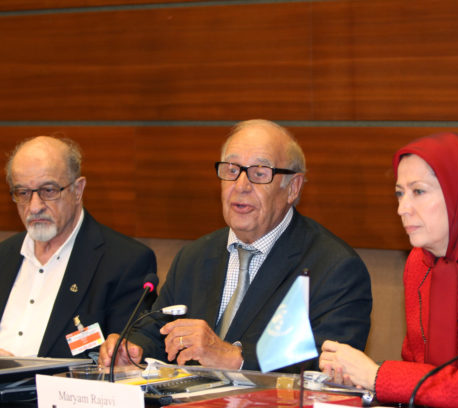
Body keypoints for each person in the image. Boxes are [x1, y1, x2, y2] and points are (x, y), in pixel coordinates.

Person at [99, 119, 372, 371]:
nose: (241, 185)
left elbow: (331, 368)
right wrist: (133, 349)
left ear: (293, 187)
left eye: (260, 173)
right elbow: (158, 331)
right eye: (231, 170)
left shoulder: (335, 268)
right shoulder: (193, 257)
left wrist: (234, 358)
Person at [320, 132, 458, 408]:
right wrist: (359, 381)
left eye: (418, 191)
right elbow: (417, 367)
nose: (403, 209)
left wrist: (375, 375)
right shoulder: (420, 263)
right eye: (399, 194)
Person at [0, 136, 157, 358]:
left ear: (77, 189)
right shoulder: (3, 257)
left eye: (48, 191)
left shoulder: (125, 263)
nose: (34, 207)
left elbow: (123, 363)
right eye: (23, 193)